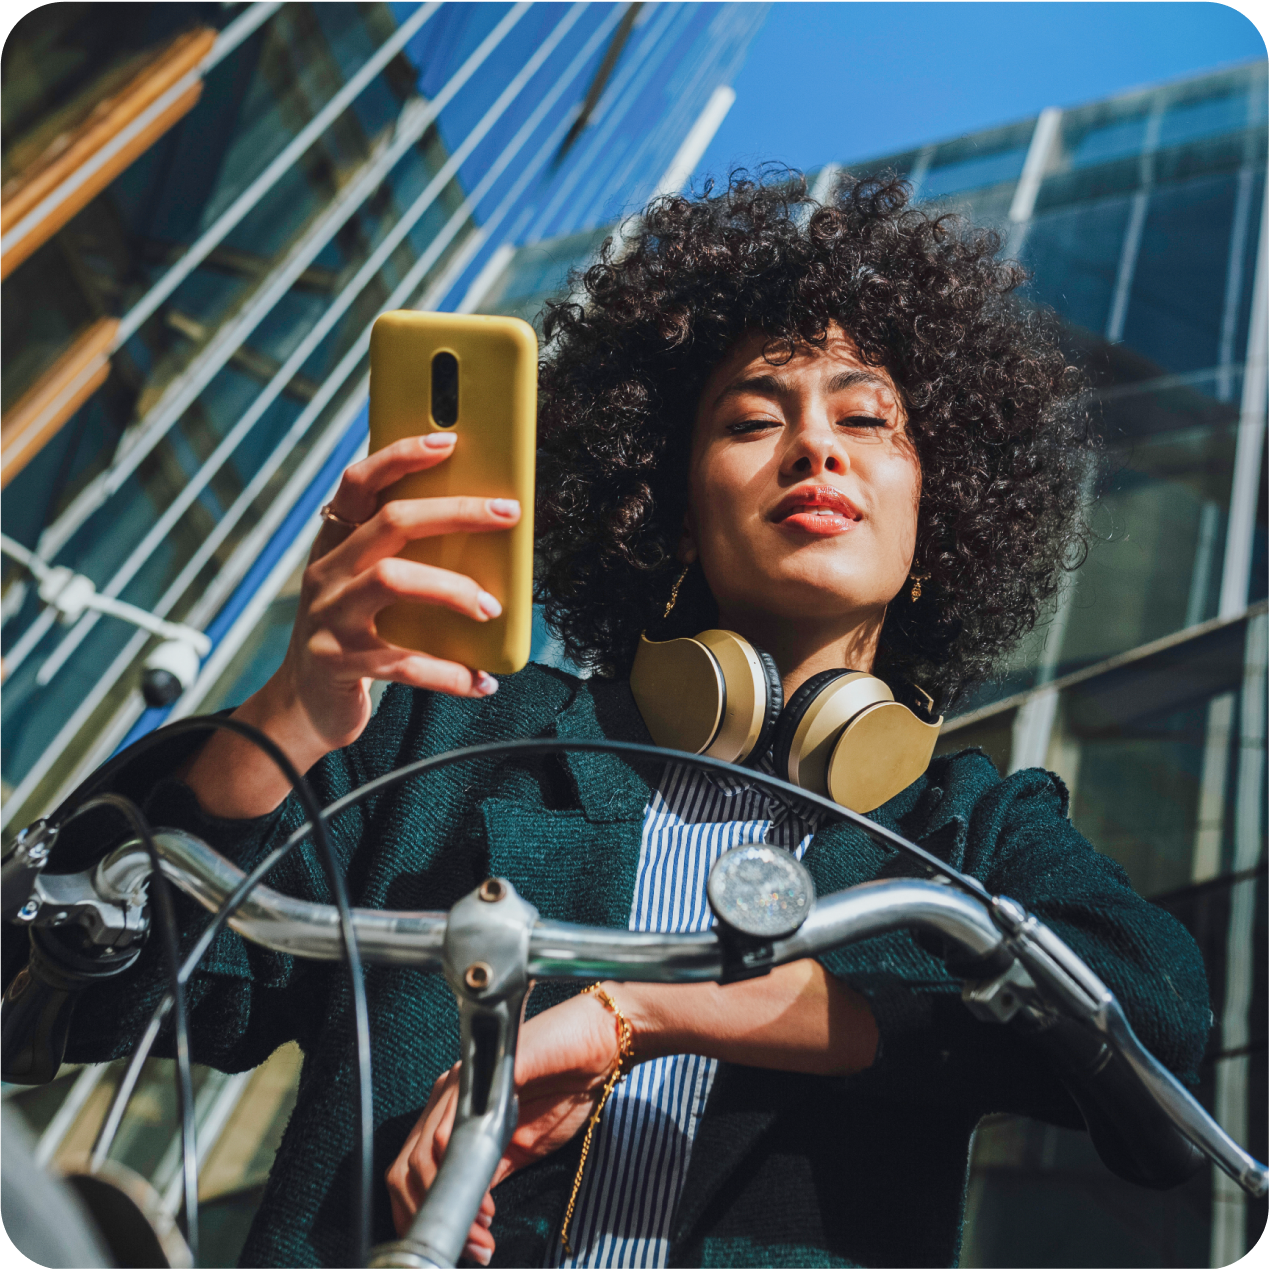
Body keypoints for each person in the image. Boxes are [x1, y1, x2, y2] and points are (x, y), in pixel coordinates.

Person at [33, 174, 1210, 1269]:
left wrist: (643, 1016)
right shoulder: (451, 744)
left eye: (867, 421)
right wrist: (291, 715)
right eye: (750, 421)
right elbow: (80, 984)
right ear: (672, 509)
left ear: (935, 529)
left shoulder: (971, 831)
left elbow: (1156, 1021)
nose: (815, 444)